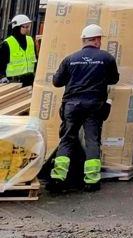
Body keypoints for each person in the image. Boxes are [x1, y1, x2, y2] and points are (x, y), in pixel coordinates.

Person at [48, 24, 119, 192]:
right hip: (94, 105)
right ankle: (92, 180)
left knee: (67, 139)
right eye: (99, 39)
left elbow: (57, 82)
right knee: (92, 140)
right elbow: (113, 79)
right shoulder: (106, 58)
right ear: (96, 40)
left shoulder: (70, 59)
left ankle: (58, 177)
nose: (100, 42)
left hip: (71, 105)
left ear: (84, 40)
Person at [0, 14, 37, 88]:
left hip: (29, 81)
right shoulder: (7, 43)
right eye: (24, 27)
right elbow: (1, 63)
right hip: (13, 82)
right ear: (17, 27)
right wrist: (2, 77)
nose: (27, 29)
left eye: (28, 26)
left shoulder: (30, 41)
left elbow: (36, 59)